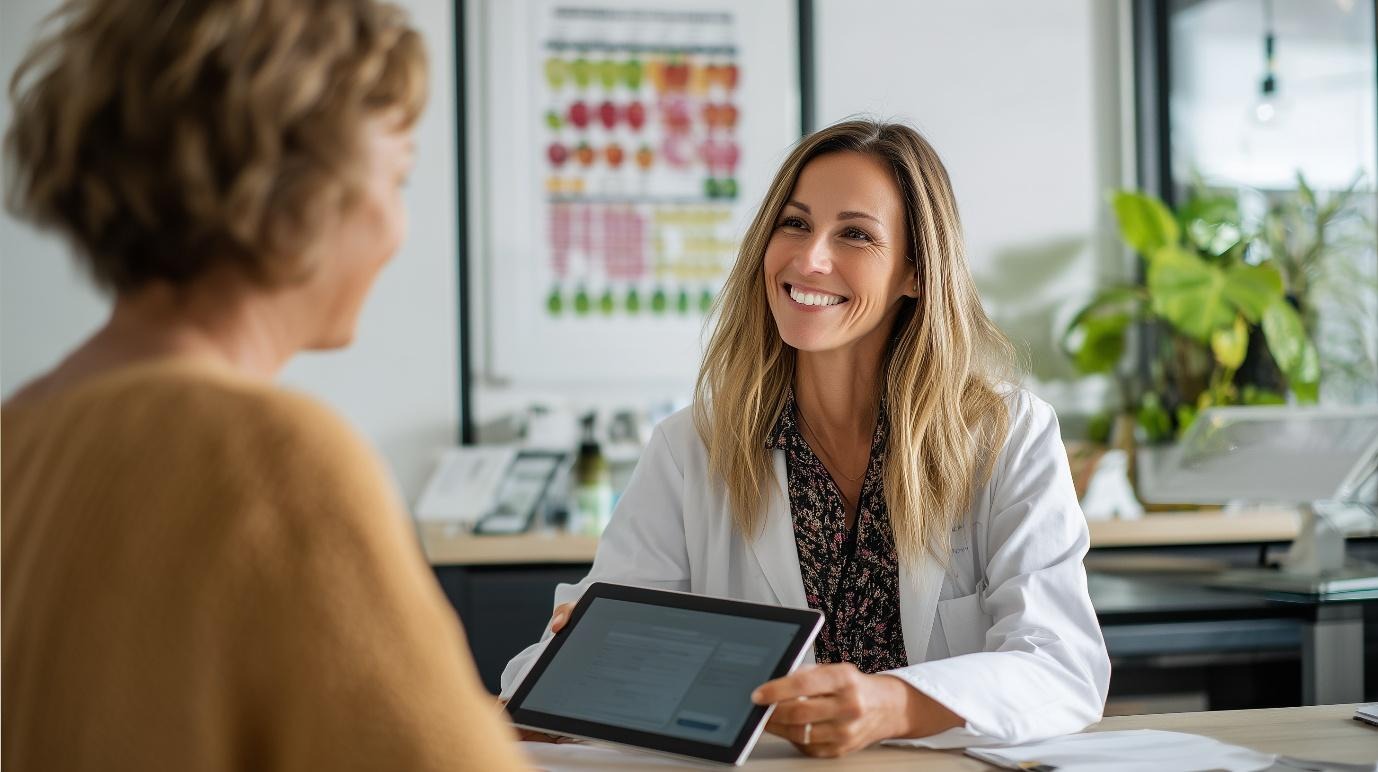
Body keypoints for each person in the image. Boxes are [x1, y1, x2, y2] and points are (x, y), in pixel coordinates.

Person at [1, 1, 526, 770]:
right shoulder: (272, 457)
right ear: (299, 187)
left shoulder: (24, 432)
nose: (397, 224)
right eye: (398, 175)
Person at [500, 119, 1111, 757]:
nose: (809, 258)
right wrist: (572, 674)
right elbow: (547, 678)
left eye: (855, 234)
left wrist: (890, 704)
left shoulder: (1007, 436)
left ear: (917, 272)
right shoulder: (691, 449)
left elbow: (1061, 667)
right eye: (794, 224)